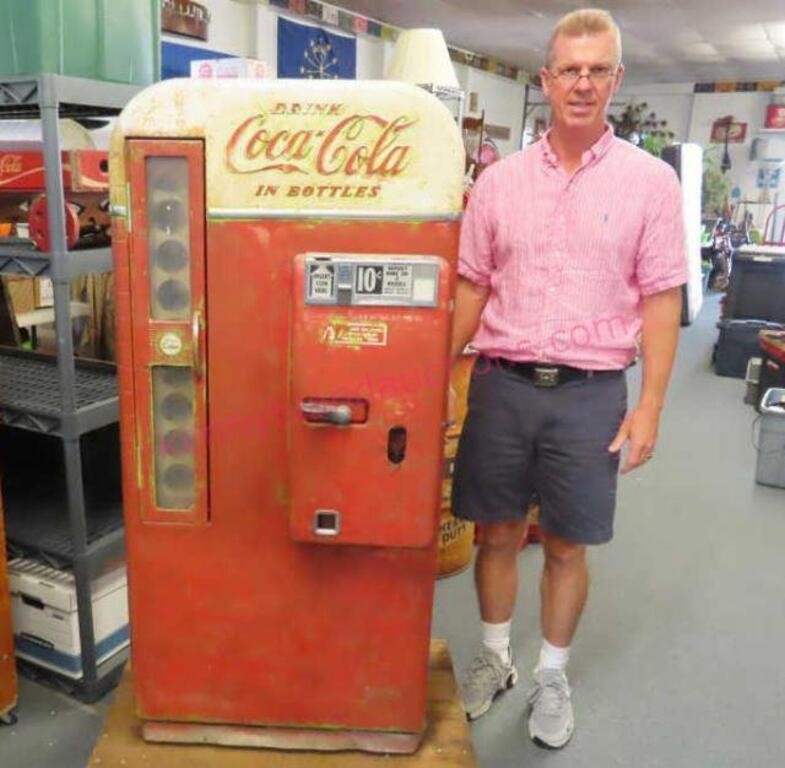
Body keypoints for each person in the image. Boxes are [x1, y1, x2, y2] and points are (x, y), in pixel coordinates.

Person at [450, 8, 687, 750]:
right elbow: (470, 287)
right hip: (500, 383)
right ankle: (493, 660)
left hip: (589, 396)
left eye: (596, 71)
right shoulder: (498, 183)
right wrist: (426, 376)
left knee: (563, 545)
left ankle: (551, 673)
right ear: (545, 79)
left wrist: (648, 405)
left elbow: (660, 299)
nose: (580, 84)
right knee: (492, 534)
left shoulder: (650, 185)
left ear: (614, 79)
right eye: (568, 70)